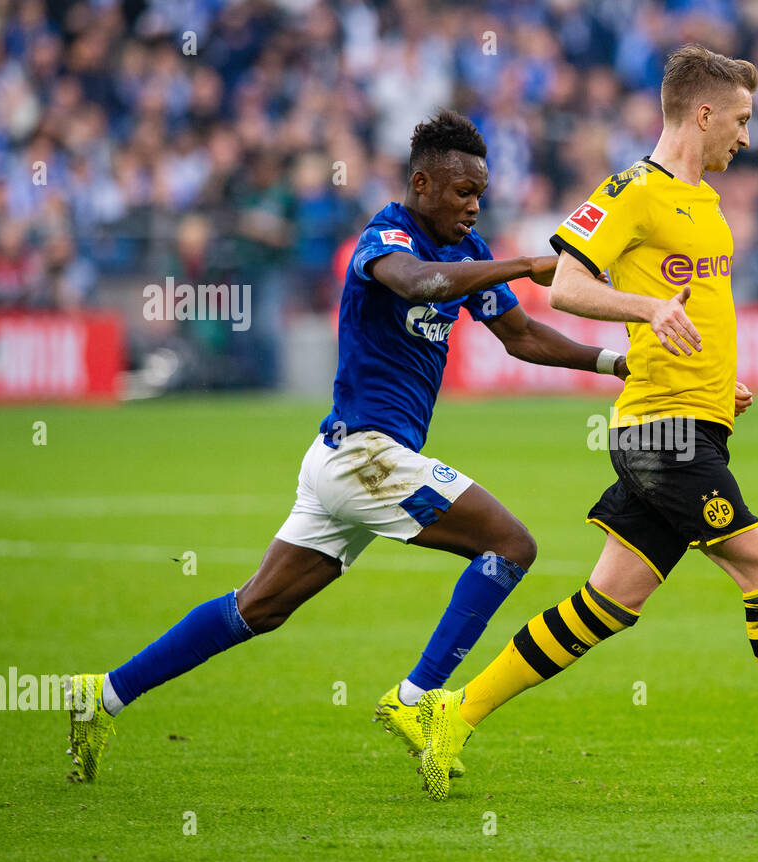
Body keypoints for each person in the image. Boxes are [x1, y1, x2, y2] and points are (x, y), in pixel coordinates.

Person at [65, 110, 628, 782]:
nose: (473, 205)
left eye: (480, 194)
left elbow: (523, 336)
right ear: (422, 183)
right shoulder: (384, 237)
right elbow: (419, 284)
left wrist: (609, 364)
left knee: (258, 607)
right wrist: (528, 261)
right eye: (460, 192)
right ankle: (417, 699)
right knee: (511, 546)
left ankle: (102, 694)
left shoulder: (464, 254)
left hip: (348, 462)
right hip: (366, 453)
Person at [415, 46, 758, 801]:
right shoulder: (630, 192)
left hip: (695, 420)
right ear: (702, 113)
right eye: (740, 119)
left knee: (610, 599)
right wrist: (645, 310)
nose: (746, 136)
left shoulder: (706, 203)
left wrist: (717, 386)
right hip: (660, 434)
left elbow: (693, 308)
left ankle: (455, 710)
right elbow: (569, 286)